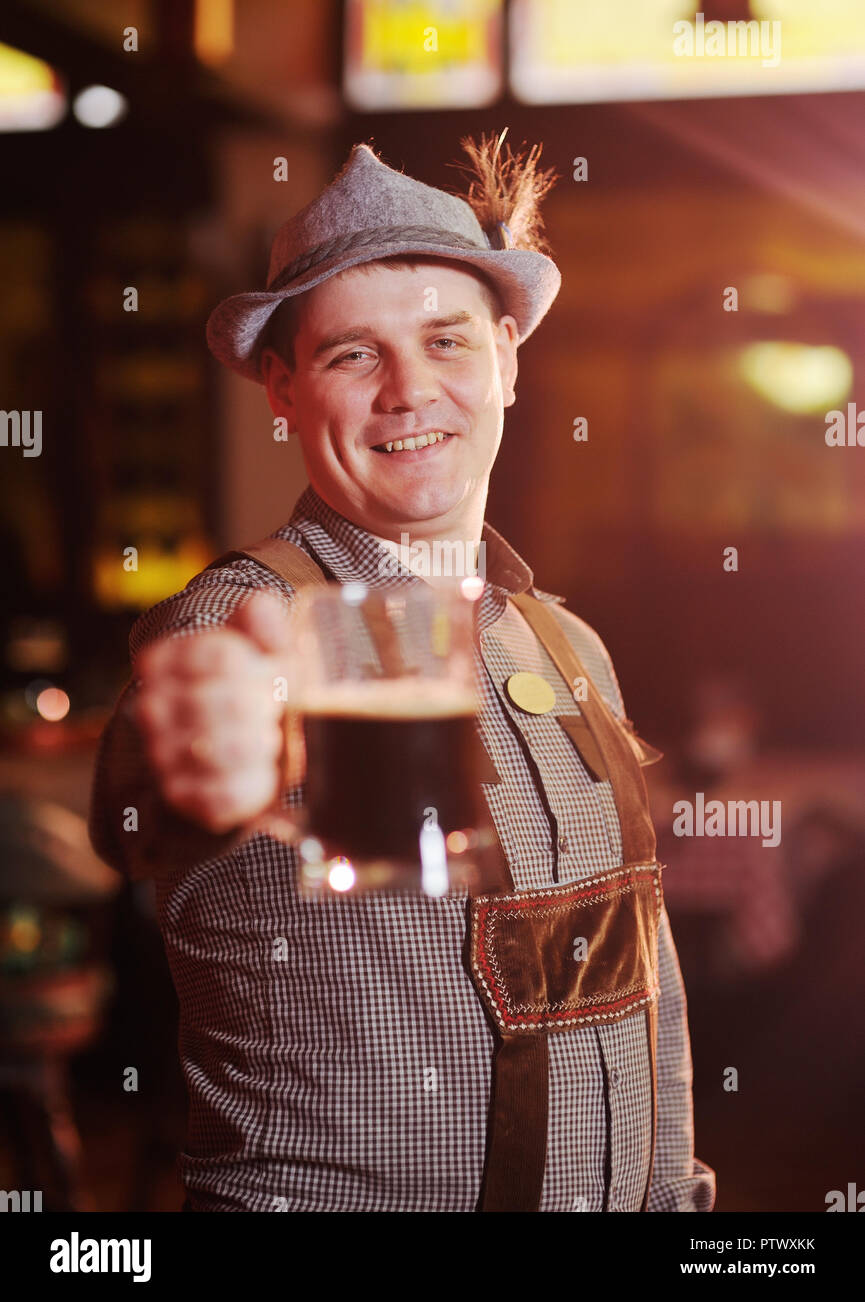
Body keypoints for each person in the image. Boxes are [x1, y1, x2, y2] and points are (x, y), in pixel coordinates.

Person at [89, 133, 716, 1213]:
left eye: (445, 341)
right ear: (281, 388)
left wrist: (676, 1200)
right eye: (351, 355)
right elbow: (152, 799)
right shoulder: (244, 621)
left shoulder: (564, 643)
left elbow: (643, 979)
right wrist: (194, 768)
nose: (408, 390)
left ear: (509, 359)